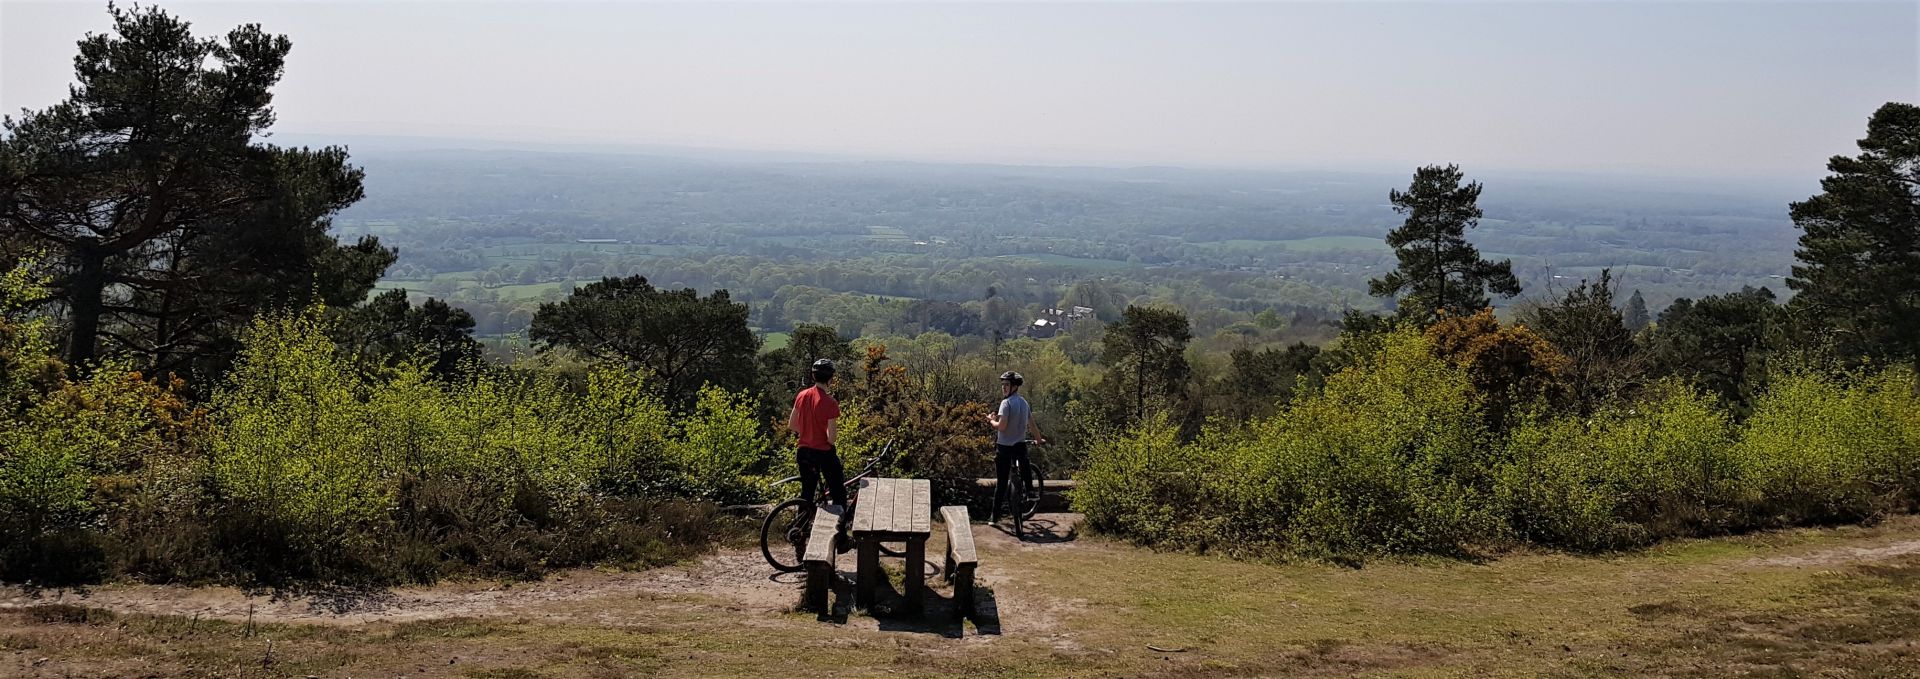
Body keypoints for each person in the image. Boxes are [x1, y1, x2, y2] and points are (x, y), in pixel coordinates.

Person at [986, 370, 1046, 524]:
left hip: (1004, 447)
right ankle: (1030, 492)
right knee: (1024, 464)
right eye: (1003, 385)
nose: (1004, 388)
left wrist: (991, 421)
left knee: (1001, 482)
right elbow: (1031, 424)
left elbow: (1002, 426)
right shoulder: (1024, 403)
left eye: (1006, 385)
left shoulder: (1005, 404)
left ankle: (994, 517)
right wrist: (1038, 440)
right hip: (1019, 445)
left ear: (1014, 386)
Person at [789, 359, 846, 509]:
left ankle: (800, 527)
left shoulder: (802, 395)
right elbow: (831, 439)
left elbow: (792, 424)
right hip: (823, 453)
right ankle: (839, 529)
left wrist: (808, 432)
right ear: (831, 379)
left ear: (814, 376)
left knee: (807, 492)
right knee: (838, 490)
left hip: (803, 451)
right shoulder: (830, 402)